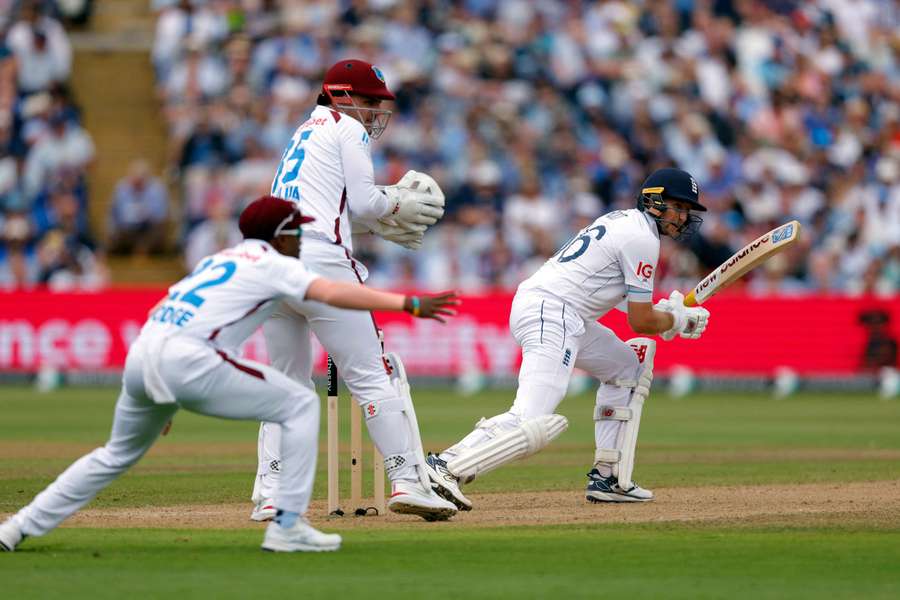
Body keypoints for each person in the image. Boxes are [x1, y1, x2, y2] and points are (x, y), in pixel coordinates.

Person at [0, 196, 459, 553]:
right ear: (280, 237)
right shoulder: (273, 264)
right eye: (296, 233)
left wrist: (158, 395)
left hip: (144, 356)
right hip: (185, 359)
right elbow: (333, 292)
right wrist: (407, 304)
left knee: (112, 457)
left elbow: (176, 316)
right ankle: (287, 527)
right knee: (299, 402)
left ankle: (17, 527)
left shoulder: (217, 261)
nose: (301, 241)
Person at [424, 168, 711, 510]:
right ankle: (445, 465)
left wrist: (664, 314)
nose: (683, 216)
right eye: (678, 206)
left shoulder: (624, 222)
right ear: (655, 201)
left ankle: (608, 476)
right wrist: (677, 319)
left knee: (626, 369)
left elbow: (613, 292)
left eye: (686, 210)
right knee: (531, 417)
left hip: (560, 310)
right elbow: (641, 321)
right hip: (553, 311)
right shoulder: (643, 238)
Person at [249, 59, 457, 522]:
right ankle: (406, 481)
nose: (374, 113)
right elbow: (363, 202)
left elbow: (340, 207)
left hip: (272, 264)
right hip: (321, 262)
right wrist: (397, 202)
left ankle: (271, 493)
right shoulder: (349, 129)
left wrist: (379, 221)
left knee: (285, 382)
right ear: (341, 96)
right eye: (367, 101)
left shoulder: (304, 132)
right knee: (370, 375)